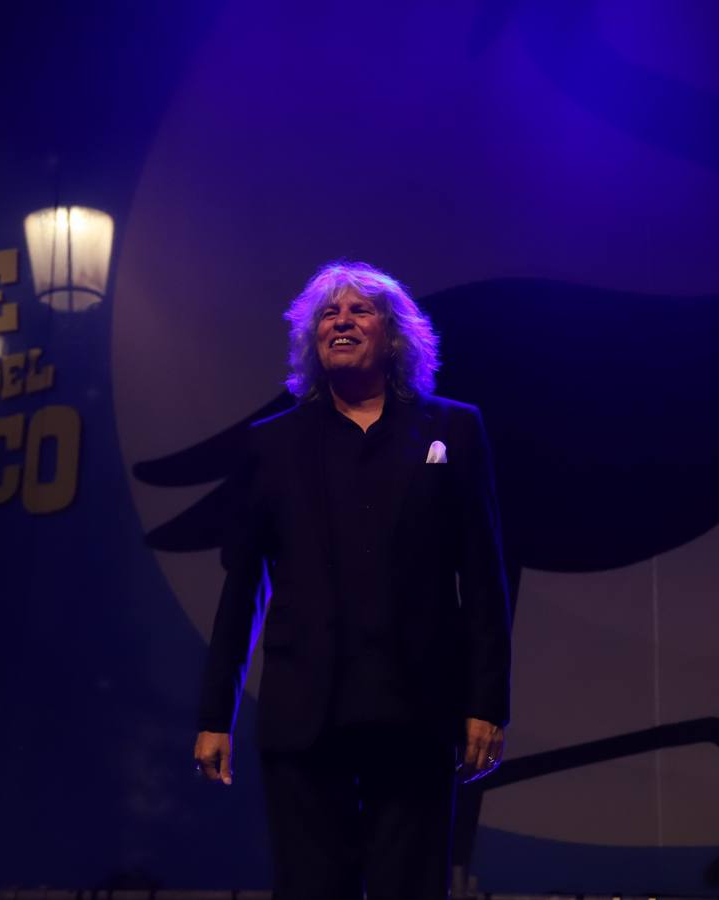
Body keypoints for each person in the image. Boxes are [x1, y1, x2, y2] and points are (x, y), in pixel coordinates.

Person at [193, 261, 512, 899]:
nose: (341, 320)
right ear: (313, 341)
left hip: (418, 708)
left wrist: (487, 703)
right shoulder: (271, 445)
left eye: (359, 310)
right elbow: (243, 587)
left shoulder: (453, 429)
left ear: (393, 336)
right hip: (306, 712)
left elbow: (482, 577)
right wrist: (215, 715)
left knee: (410, 887)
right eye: (328, 315)